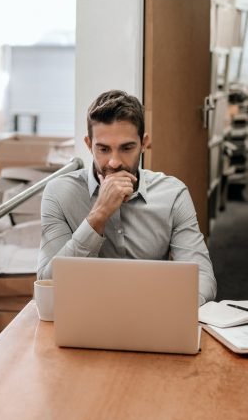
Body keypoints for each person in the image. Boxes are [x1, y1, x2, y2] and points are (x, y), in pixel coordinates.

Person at [37, 89, 216, 305]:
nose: (114, 162)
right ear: (88, 144)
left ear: (143, 144)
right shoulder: (59, 193)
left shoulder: (173, 194)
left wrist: (168, 309)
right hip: (85, 313)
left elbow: (203, 280)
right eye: (103, 149)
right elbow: (49, 285)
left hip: (153, 313)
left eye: (126, 148)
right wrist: (98, 216)